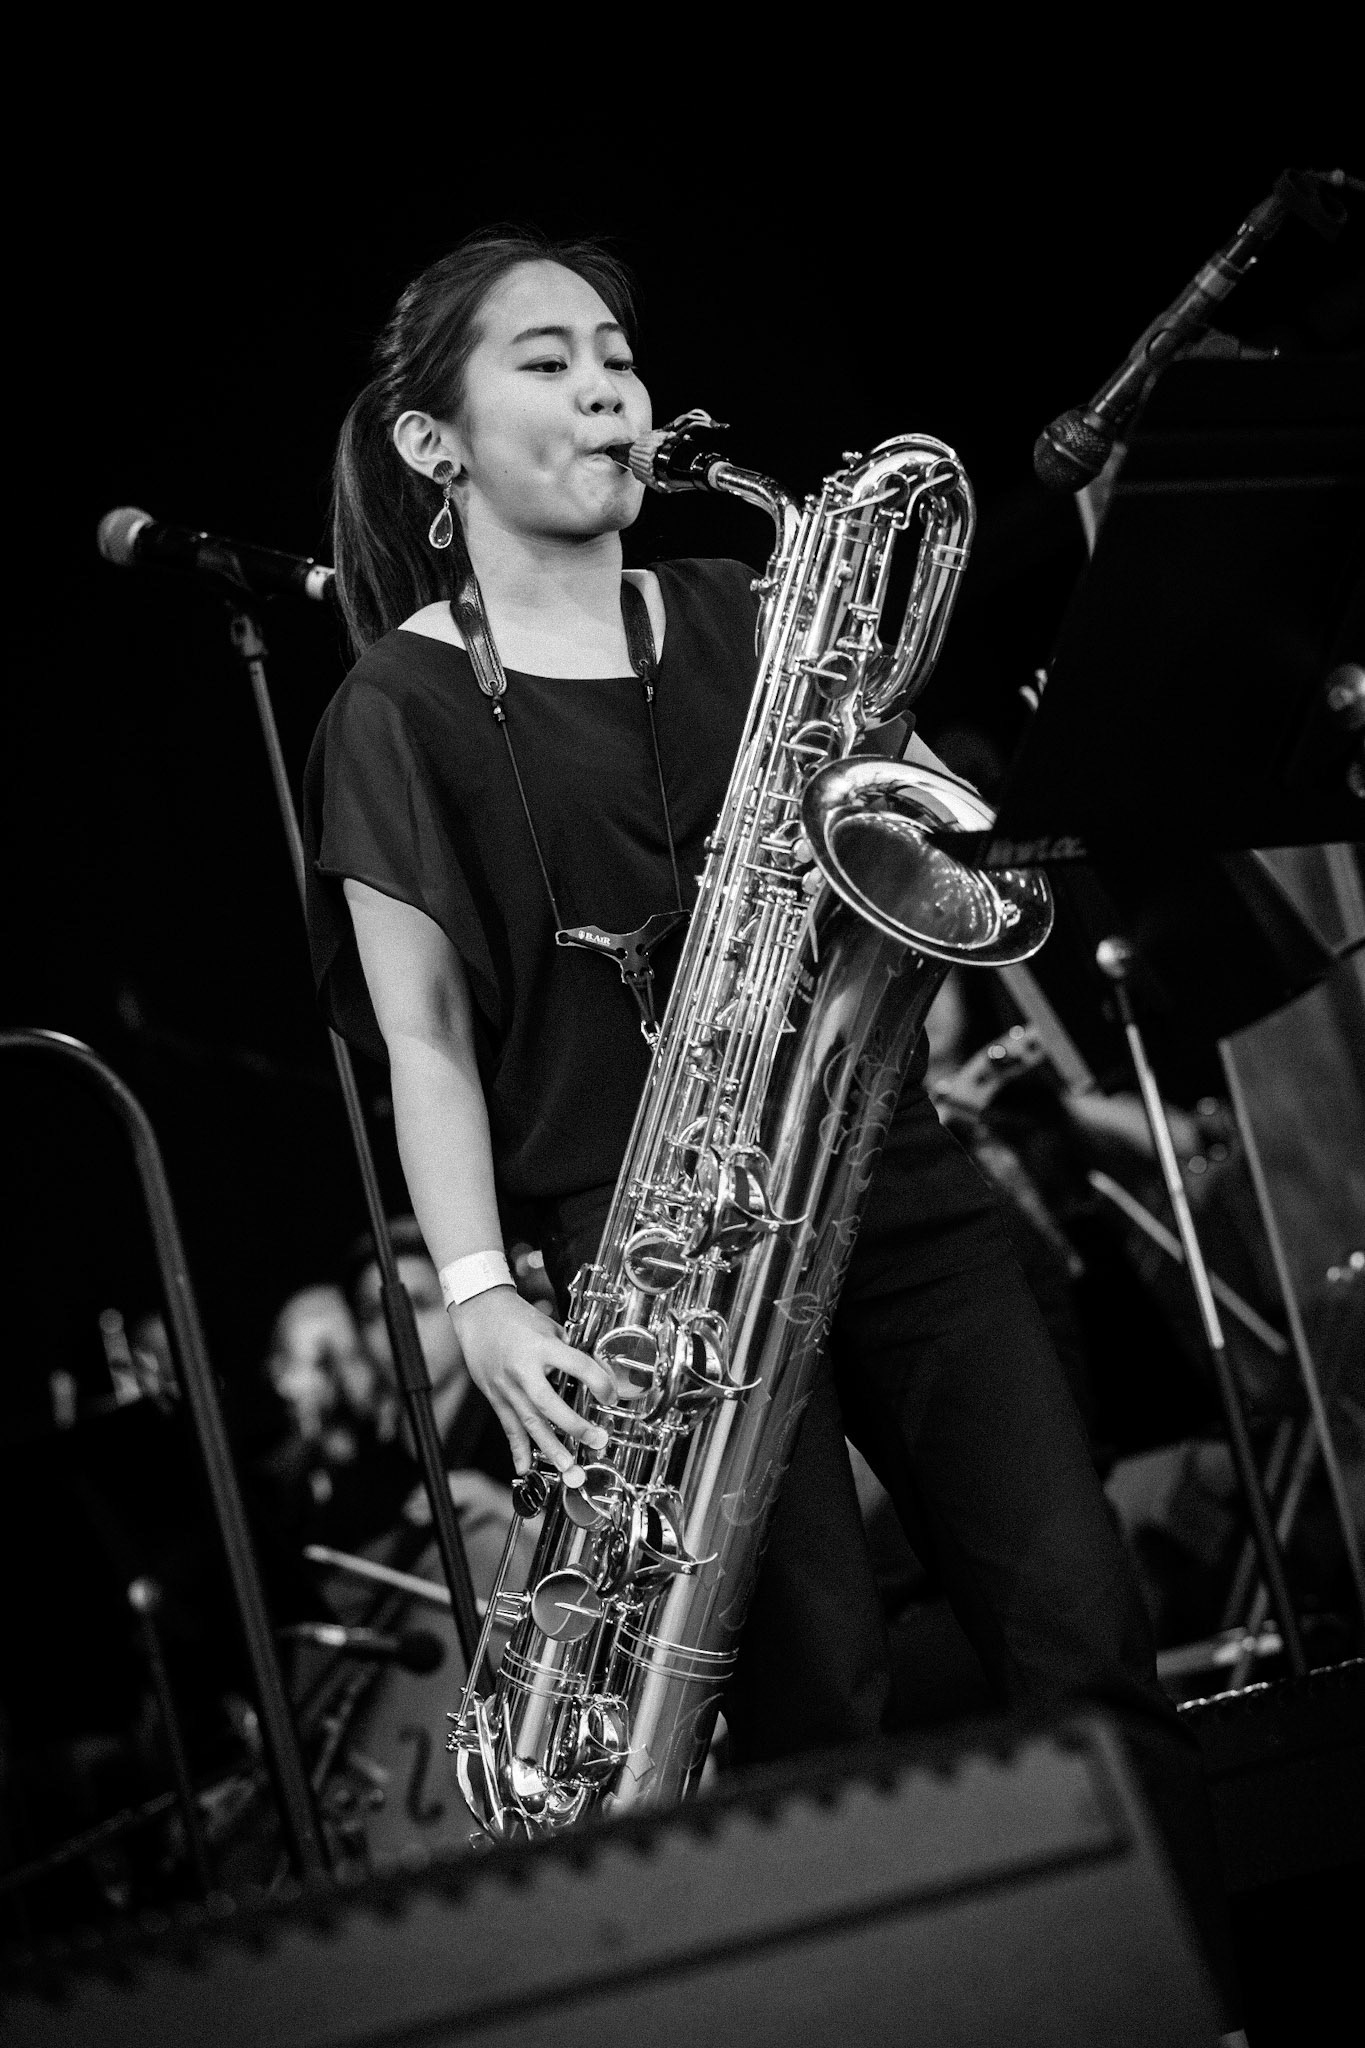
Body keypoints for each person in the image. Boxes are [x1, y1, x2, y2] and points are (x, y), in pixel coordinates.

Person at [301, 229, 1243, 2036]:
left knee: (1080, 1631)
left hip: (881, 1176)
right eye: (550, 361)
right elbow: (418, 1035)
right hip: (646, 1243)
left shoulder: (750, 608)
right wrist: (485, 1295)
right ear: (433, 447)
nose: (609, 390)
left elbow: (875, 858)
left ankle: (1179, 2007)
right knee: (815, 1703)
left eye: (619, 357)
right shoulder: (398, 702)